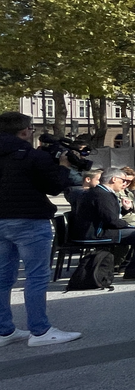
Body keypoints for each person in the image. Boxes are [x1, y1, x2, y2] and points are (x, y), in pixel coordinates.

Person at [0, 112, 82, 347]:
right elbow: (55, 186)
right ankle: (40, 331)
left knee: (3, 278)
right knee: (36, 276)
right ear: (24, 131)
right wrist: (64, 166)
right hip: (29, 220)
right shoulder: (31, 155)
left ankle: (4, 330)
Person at [74, 168, 135, 280]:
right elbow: (111, 220)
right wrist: (132, 227)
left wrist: (125, 211)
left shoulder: (101, 192)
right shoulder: (102, 194)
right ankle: (133, 271)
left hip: (98, 230)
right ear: (114, 179)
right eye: (123, 180)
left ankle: (128, 266)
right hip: (96, 233)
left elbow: (110, 216)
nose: (125, 183)